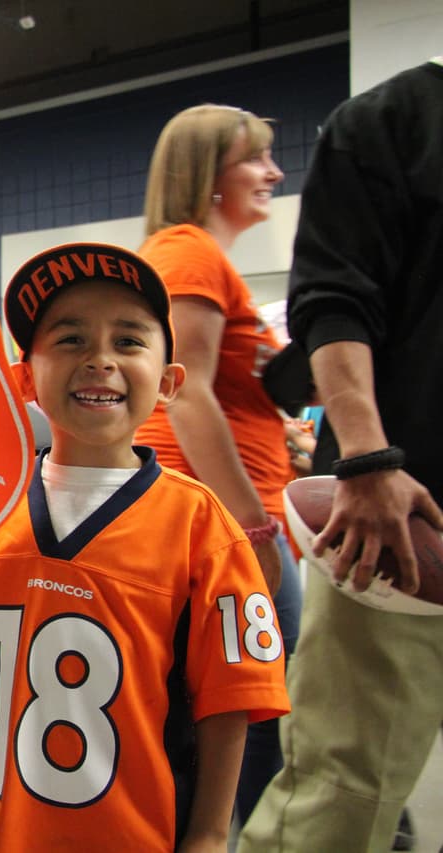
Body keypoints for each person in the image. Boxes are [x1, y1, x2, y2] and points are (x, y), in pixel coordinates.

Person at [0, 241, 289, 851]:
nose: (99, 359)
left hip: (137, 833)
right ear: (25, 377)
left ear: (168, 381)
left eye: (128, 341)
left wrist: (210, 833)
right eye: (70, 339)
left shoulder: (197, 522)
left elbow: (230, 695)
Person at [238, 60, 443, 853]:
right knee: (340, 791)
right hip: (401, 528)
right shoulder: (394, 121)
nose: (270, 170)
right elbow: (335, 296)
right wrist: (366, 458)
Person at [133, 103, 302, 822]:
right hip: (223, 520)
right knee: (253, 707)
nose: (274, 172)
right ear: (208, 177)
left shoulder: (205, 260)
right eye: (256, 159)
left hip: (234, 508)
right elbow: (187, 391)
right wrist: (255, 528)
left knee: (251, 706)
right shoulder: (189, 253)